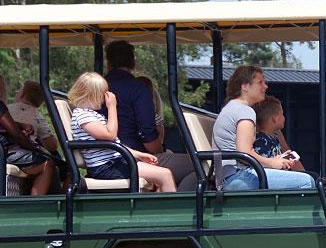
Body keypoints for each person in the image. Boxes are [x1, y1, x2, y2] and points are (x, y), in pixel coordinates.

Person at [104, 41, 197, 191]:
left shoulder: (98, 89)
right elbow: (149, 139)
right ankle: (179, 210)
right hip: (132, 157)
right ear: (133, 63)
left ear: (108, 63)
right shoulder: (138, 88)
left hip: (105, 156)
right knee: (200, 165)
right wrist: (160, 150)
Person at [68, 72, 176, 192]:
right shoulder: (83, 116)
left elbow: (114, 143)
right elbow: (111, 135)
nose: (104, 99)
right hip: (106, 167)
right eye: (101, 95)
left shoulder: (92, 115)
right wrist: (112, 107)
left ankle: (156, 209)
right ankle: (174, 210)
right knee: (165, 175)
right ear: (90, 95)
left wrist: (139, 155)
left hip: (115, 162)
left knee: (159, 175)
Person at [212, 66, 313, 191]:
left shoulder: (232, 108)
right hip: (238, 178)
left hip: (232, 177)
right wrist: (272, 163)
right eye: (260, 82)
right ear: (245, 86)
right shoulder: (244, 111)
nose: (265, 86)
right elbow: (244, 153)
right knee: (307, 182)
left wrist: (274, 160)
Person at [1, 77, 57, 196]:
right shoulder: (37, 116)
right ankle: (38, 206)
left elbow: (9, 126)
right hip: (6, 150)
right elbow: (51, 145)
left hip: (6, 149)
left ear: (22, 94)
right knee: (48, 164)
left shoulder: (8, 109)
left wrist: (21, 125)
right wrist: (33, 149)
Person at [252, 96, 304, 172]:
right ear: (275, 118)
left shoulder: (274, 138)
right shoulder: (261, 140)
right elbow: (263, 167)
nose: (284, 117)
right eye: (282, 114)